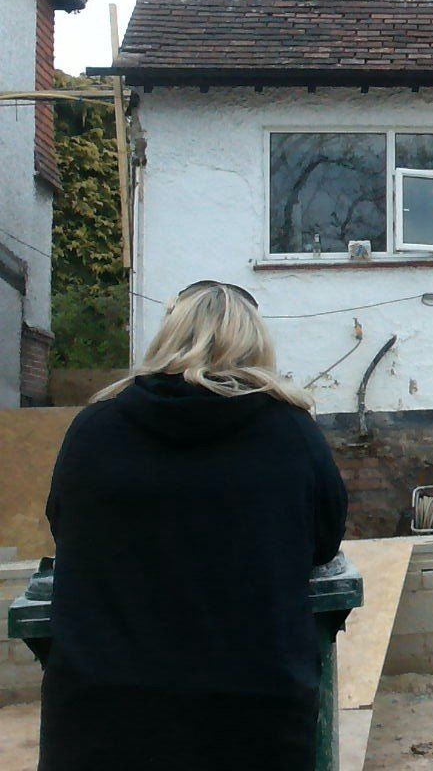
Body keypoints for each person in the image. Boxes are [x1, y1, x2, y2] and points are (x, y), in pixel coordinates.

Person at [39, 281, 347, 771]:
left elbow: (64, 525)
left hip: (102, 721)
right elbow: (324, 542)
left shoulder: (93, 430)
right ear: (257, 344)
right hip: (252, 719)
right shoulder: (292, 434)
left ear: (168, 336)